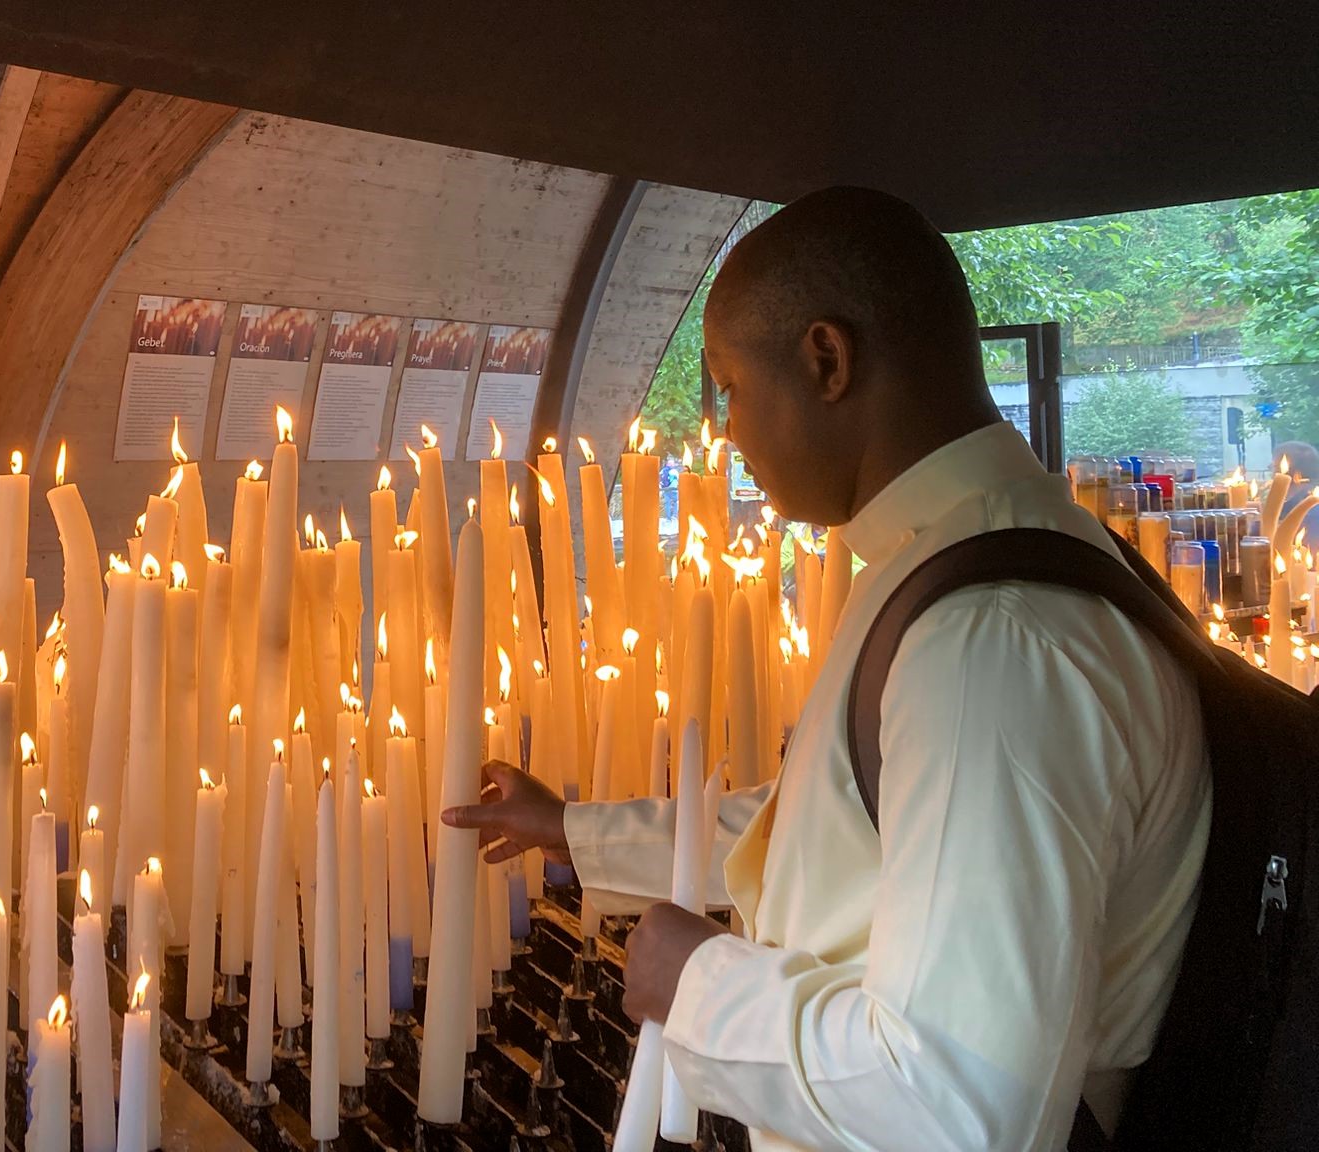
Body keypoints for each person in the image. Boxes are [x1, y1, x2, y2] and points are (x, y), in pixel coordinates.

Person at [445, 187, 1210, 1152]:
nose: (724, 430)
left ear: (826, 360)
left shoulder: (992, 642)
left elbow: (959, 1110)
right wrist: (572, 832)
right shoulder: (988, 556)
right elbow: (840, 822)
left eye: (729, 389)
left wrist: (703, 988)